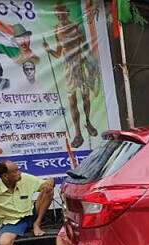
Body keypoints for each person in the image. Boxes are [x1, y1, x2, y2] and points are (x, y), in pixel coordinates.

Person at [42, 2, 98, 149]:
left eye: (61, 11)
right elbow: (58, 53)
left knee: (85, 96)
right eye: (57, 13)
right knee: (72, 101)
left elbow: (85, 46)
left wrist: (89, 62)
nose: (60, 14)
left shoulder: (75, 26)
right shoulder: (56, 30)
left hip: (80, 63)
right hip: (68, 67)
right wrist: (48, 50)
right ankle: (78, 134)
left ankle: (88, 122)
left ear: (67, 12)